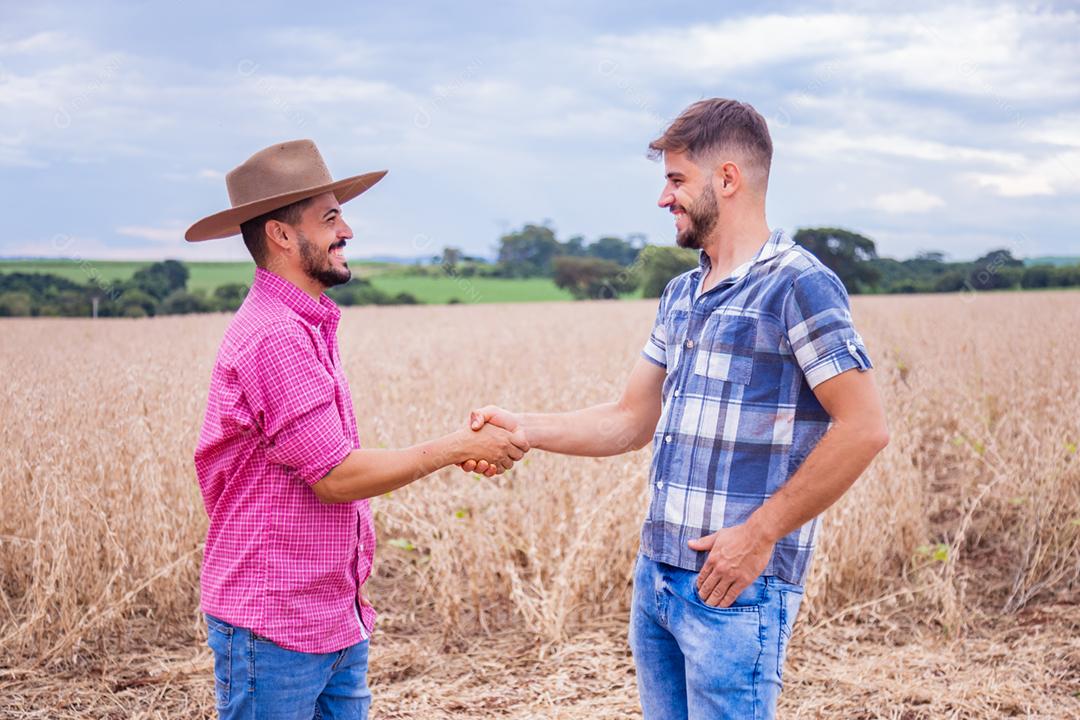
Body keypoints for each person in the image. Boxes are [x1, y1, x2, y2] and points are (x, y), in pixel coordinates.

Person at [461, 99, 889, 719]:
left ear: (728, 179)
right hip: (657, 579)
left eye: (676, 179)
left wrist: (759, 535)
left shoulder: (799, 284)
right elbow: (631, 418)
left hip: (736, 585)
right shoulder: (682, 292)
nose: (664, 198)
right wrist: (522, 428)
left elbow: (864, 428)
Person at [187, 139, 528, 720]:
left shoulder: (303, 324)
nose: (347, 230)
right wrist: (456, 447)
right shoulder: (278, 336)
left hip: (330, 618)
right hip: (276, 626)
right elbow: (337, 476)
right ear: (282, 236)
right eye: (330, 217)